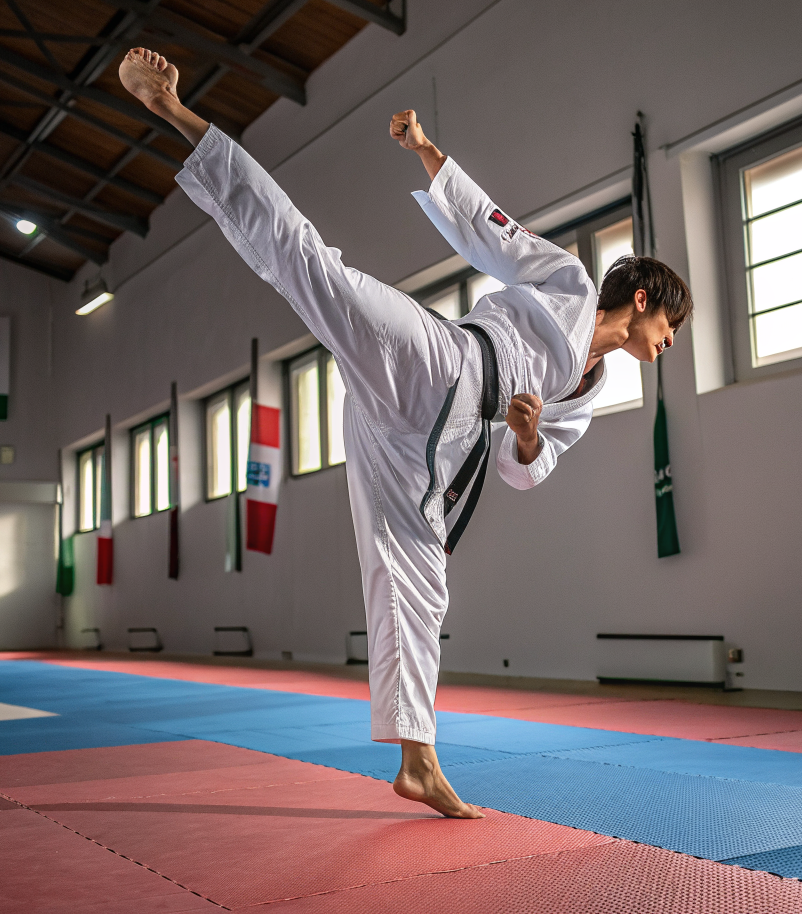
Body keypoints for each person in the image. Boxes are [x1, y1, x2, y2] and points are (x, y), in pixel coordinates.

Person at [118, 47, 693, 819]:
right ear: (647, 297)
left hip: (445, 445)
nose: (668, 342)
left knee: (419, 586)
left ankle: (418, 761)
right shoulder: (571, 284)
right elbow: (498, 232)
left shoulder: (590, 388)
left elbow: (533, 467)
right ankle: (177, 114)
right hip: (438, 360)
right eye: (671, 326)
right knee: (310, 268)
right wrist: (427, 150)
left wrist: (525, 436)